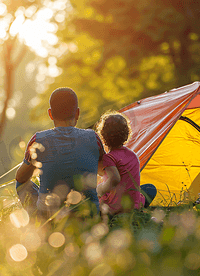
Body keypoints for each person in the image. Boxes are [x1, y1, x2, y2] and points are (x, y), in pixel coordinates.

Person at [15, 87, 105, 217]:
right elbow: (104, 171)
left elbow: (21, 178)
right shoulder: (94, 138)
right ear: (77, 113)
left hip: (50, 215)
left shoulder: (38, 140)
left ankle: (38, 223)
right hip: (88, 215)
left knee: (21, 183)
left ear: (50, 114)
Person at [96, 111, 156, 216]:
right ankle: (138, 207)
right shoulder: (133, 155)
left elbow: (114, 179)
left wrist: (100, 189)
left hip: (116, 208)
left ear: (103, 136)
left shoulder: (108, 157)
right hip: (134, 205)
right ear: (127, 134)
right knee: (149, 189)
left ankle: (114, 214)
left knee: (93, 200)